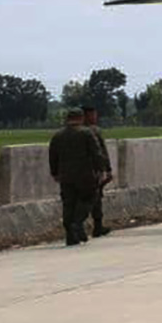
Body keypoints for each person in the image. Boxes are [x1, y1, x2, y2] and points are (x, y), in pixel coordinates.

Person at [48, 108, 104, 245]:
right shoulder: (87, 133)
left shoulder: (58, 136)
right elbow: (96, 153)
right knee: (89, 197)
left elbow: (52, 156)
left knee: (68, 203)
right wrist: (100, 169)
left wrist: (55, 172)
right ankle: (77, 223)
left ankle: (70, 235)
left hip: (65, 175)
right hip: (85, 174)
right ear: (81, 118)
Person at [82, 104, 115, 236]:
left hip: (77, 171)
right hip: (93, 170)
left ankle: (79, 227)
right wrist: (107, 169)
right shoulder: (93, 131)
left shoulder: (73, 131)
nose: (95, 117)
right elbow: (101, 152)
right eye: (93, 115)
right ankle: (97, 226)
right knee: (95, 198)